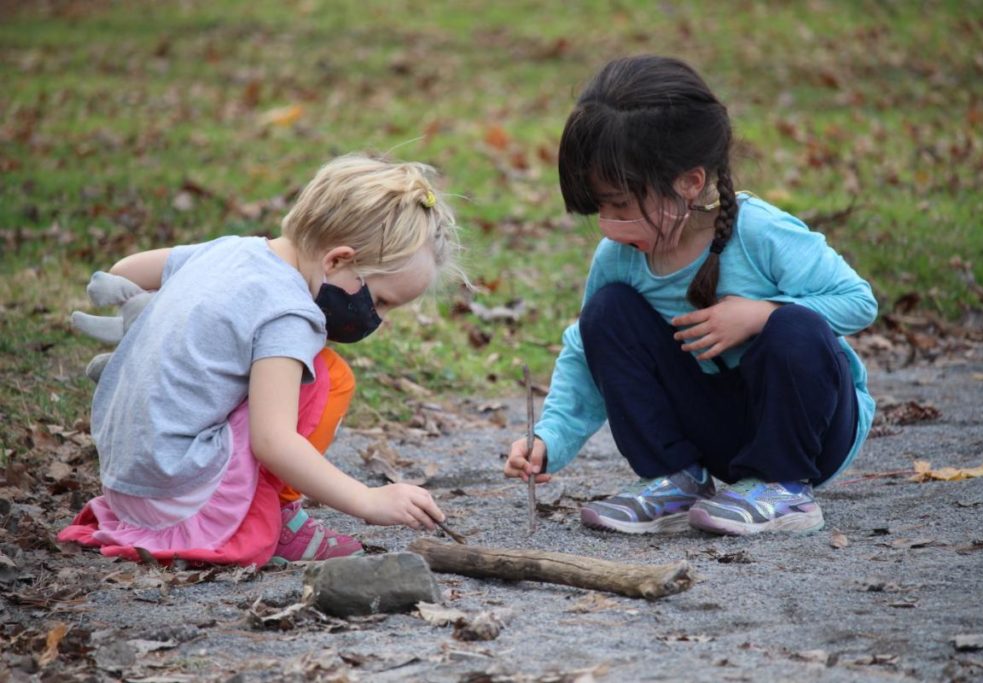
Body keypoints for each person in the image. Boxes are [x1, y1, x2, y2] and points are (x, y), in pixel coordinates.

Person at [503, 55, 877, 537]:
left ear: (690, 183)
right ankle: (674, 478)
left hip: (809, 433)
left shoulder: (760, 232)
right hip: (715, 429)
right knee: (605, 314)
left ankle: (783, 489)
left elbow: (858, 301)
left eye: (620, 203)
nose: (608, 223)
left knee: (796, 326)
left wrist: (761, 314)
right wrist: (549, 439)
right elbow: (585, 352)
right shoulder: (619, 258)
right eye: (602, 206)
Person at [59, 153, 461, 565]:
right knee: (327, 376)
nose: (381, 320)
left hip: (126, 485)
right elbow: (273, 441)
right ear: (338, 260)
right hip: (179, 498)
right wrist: (368, 500)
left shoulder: (230, 250)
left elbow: (125, 271)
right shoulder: (288, 313)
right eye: (380, 301)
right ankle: (278, 518)